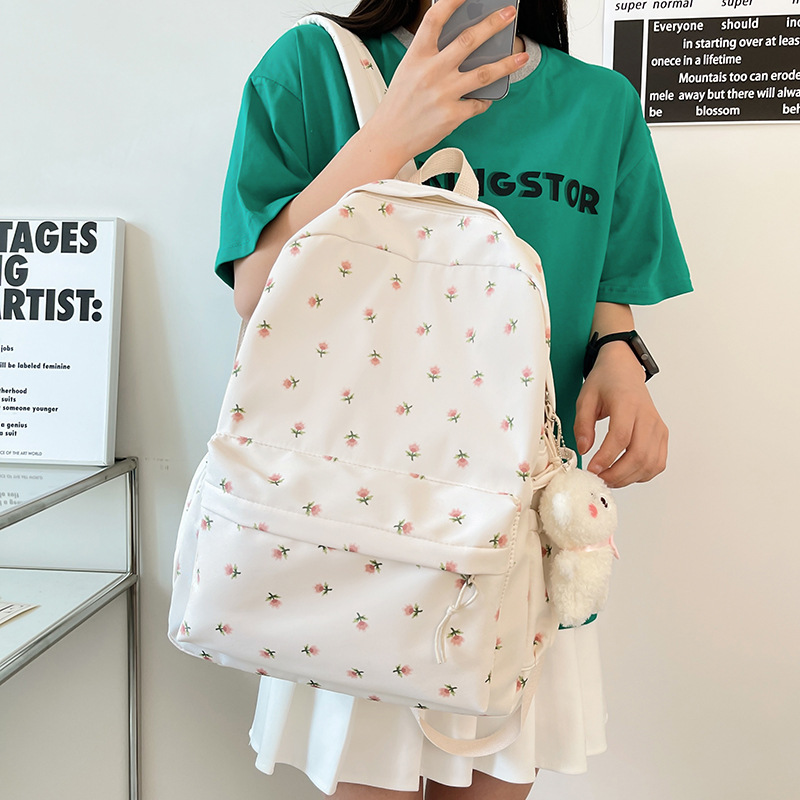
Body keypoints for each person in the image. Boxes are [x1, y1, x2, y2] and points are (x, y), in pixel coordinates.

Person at [213, 0, 692, 797]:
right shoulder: (314, 66)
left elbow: (606, 282)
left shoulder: (600, 103)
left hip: (520, 526)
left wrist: (620, 353)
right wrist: (389, 135)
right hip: (354, 526)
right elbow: (256, 289)